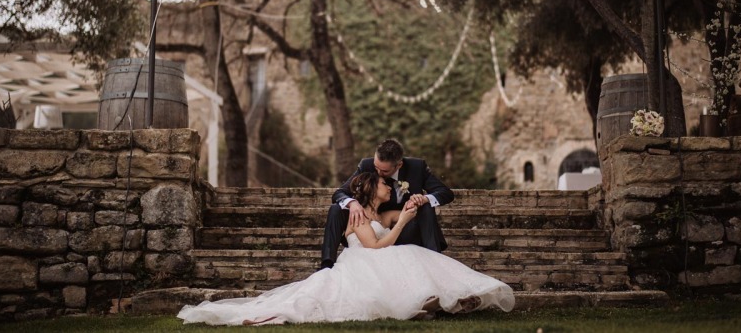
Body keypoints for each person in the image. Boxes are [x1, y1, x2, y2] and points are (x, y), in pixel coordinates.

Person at [177, 172, 514, 325]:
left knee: (416, 256)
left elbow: (401, 215)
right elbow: (376, 245)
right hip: (363, 261)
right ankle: (427, 304)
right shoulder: (354, 214)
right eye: (385, 184)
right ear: (370, 186)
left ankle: (448, 299)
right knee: (398, 262)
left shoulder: (380, 212)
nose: (390, 187)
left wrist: (414, 205)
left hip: (380, 257)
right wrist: (399, 224)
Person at [321, 138, 454, 269]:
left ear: (399, 165)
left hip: (403, 226)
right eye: (376, 167)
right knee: (336, 208)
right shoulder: (366, 166)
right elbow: (339, 193)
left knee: (427, 206)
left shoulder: (417, 168)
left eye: (384, 171)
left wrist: (424, 199)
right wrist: (353, 203)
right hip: (369, 227)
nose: (378, 173)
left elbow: (445, 192)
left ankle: (435, 259)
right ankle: (327, 264)